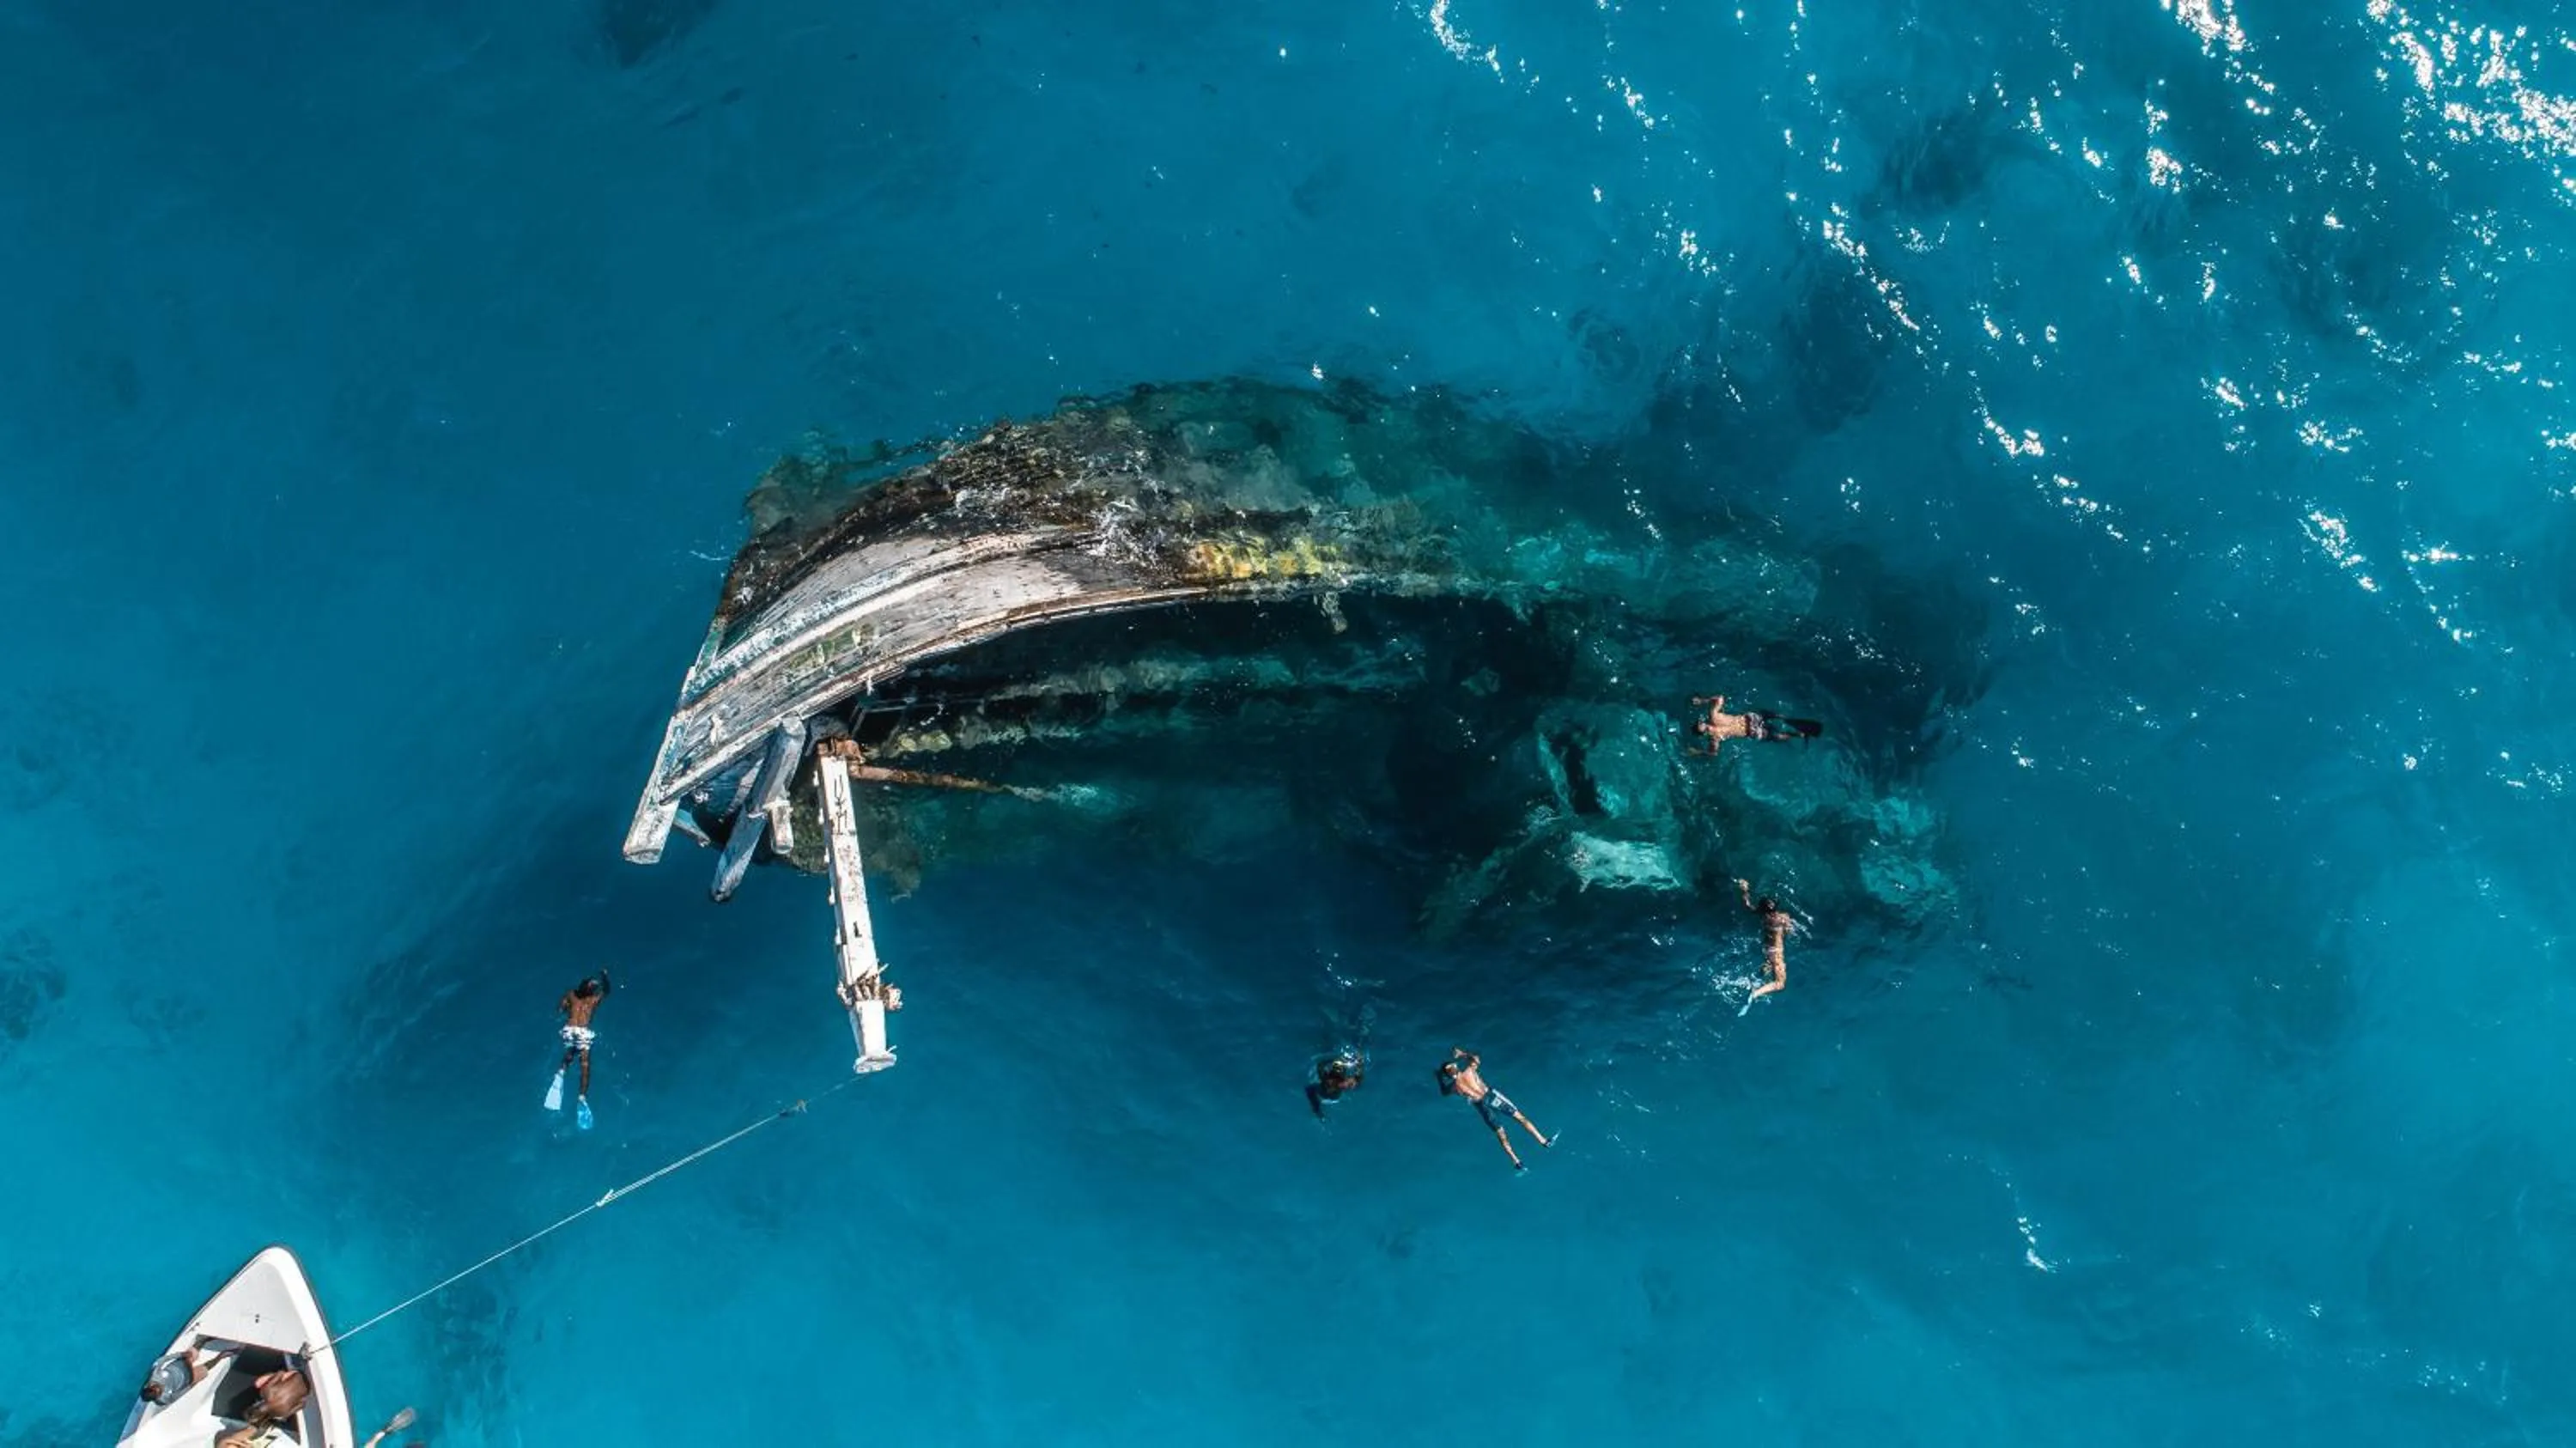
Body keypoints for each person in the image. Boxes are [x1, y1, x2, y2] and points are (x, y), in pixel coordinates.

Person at [1437, 1048, 1552, 1170]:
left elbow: (1444, 1092)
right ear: (1455, 1068)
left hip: (1481, 1106)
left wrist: (1439, 1077)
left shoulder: (1454, 1087)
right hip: (1491, 1097)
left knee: (1500, 1133)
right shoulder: (1469, 1071)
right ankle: (1543, 1141)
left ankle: (1516, 1162)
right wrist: (1462, 1054)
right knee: (1519, 1117)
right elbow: (1476, 1058)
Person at [1691, 695, 1823, 755]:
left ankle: (1794, 727)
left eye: (1701, 723)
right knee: (1778, 735)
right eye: (1701, 726)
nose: (1703, 724)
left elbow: (1720, 698)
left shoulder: (1714, 718)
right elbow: (1714, 753)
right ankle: (1799, 734)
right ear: (1703, 732)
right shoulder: (1715, 738)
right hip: (1753, 728)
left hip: (1751, 720)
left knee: (1779, 720)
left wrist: (1703, 700)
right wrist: (1698, 751)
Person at [556, 971, 612, 1106]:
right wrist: (605, 977)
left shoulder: (571, 994)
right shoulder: (593, 1000)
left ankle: (561, 1071)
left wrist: (566, 1007)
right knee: (585, 1065)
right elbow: (607, 990)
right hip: (582, 1032)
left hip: (569, 1030)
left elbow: (560, 1009)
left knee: (572, 1051)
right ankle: (582, 1096)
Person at [1737, 879, 1792, 1006]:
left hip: (1767, 948)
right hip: (1776, 951)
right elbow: (1788, 932)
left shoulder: (1761, 915)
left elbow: (1747, 905)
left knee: (1767, 967)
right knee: (1780, 984)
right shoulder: (1783, 918)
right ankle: (1755, 993)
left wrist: (1744, 890)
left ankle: (1752, 982)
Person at [1308, 1050, 1365, 1119]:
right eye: (1349, 1084)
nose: (1346, 1086)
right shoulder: (1340, 1073)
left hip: (1322, 1087)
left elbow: (1311, 1090)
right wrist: (1359, 1062)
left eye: (1348, 1087)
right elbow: (1358, 1076)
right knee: (1340, 1064)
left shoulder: (1332, 1091)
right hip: (1331, 1075)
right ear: (1349, 1078)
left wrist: (1317, 1111)